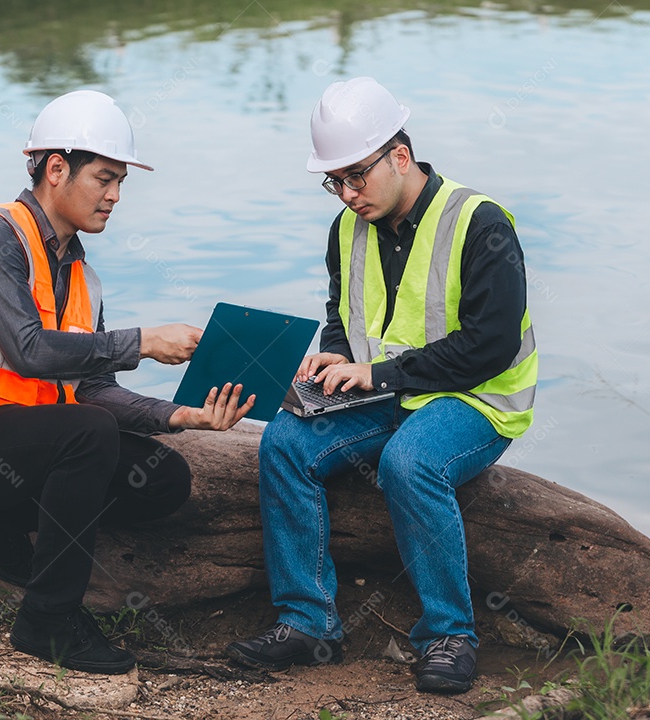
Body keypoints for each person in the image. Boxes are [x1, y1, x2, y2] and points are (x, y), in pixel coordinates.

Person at [0, 90, 253, 675]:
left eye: (120, 183)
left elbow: (94, 390)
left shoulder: (82, 275)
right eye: (104, 179)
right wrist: (143, 342)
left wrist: (181, 417)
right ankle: (48, 621)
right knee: (88, 433)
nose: (115, 197)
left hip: (17, 452)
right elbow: (30, 351)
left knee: (163, 478)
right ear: (56, 169)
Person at [226, 77, 537, 694]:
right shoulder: (347, 228)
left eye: (355, 176)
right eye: (334, 182)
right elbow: (342, 313)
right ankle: (307, 622)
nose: (346, 195)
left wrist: (378, 374)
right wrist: (335, 358)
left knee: (410, 461)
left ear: (400, 155)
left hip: (476, 400)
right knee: (285, 442)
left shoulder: (480, 223)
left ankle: (449, 635)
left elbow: (492, 344)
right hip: (385, 393)